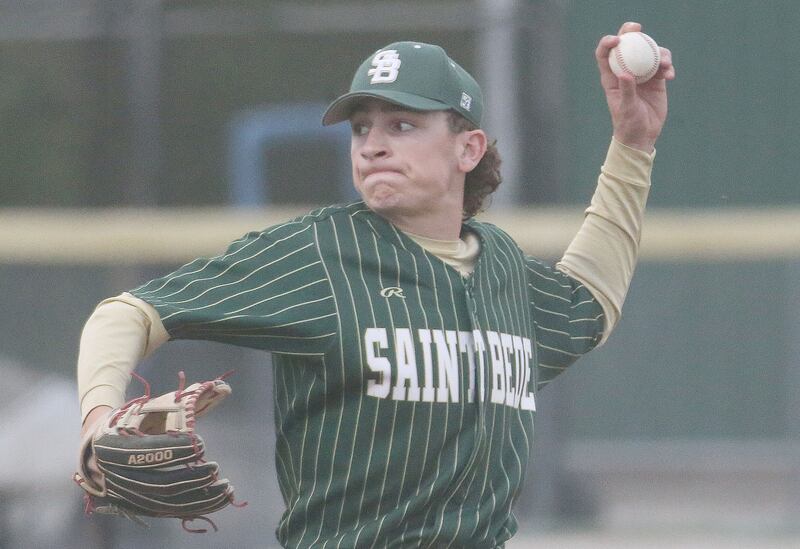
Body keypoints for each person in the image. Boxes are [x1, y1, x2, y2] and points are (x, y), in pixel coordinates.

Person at [77, 21, 674, 548]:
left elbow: (589, 300)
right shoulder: (321, 251)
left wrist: (633, 144)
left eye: (403, 123)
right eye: (361, 128)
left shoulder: (504, 270)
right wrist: (99, 419)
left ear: (468, 147)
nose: (373, 145)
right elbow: (126, 314)